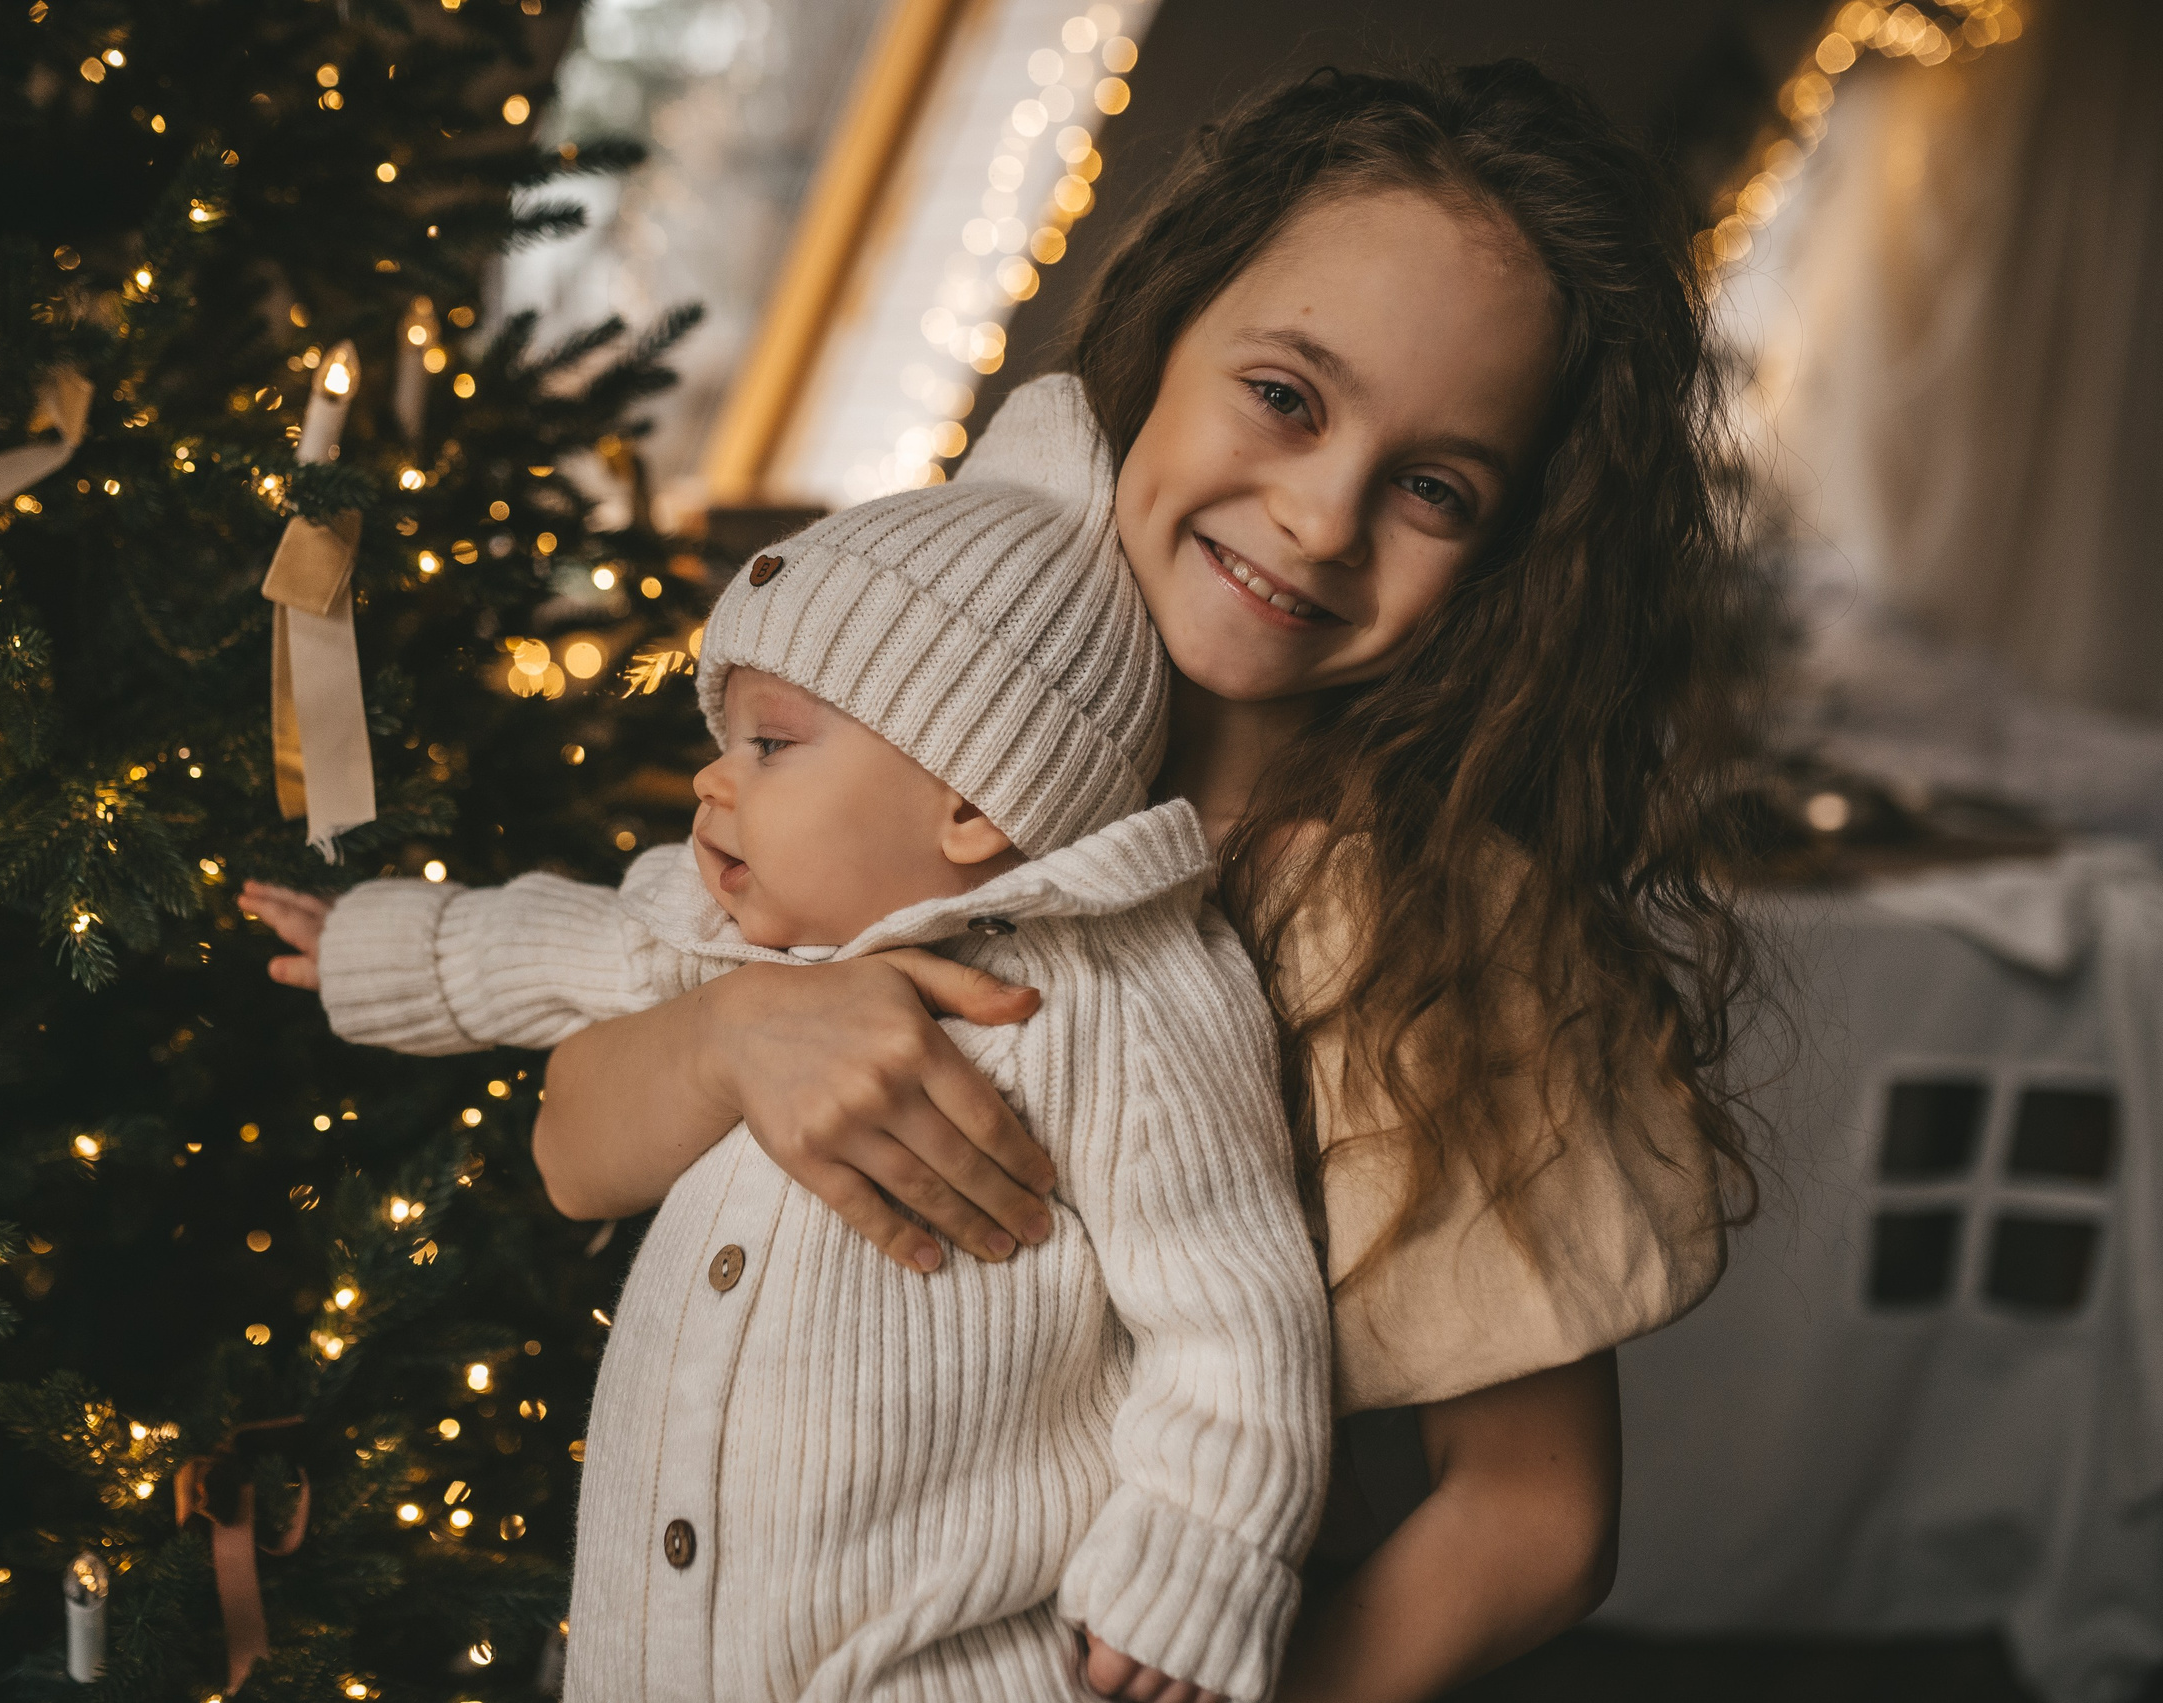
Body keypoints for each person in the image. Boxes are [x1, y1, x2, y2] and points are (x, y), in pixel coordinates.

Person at [514, 62, 1765, 1703]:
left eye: (1436, 487)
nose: (1321, 520)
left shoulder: (1431, 940)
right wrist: (744, 1036)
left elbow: (1533, 1520)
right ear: (1162, 340)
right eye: (1288, 396)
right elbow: (571, 1150)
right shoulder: (919, 701)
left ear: (1511, 559)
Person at [247, 380, 1330, 1703]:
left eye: (771, 744)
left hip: (939, 1669)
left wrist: (1189, 1570)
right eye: (724, 738)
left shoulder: (1120, 995)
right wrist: (378, 946)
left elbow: (1234, 1315)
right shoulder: (721, 924)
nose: (711, 779)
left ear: (971, 805)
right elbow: (566, 943)